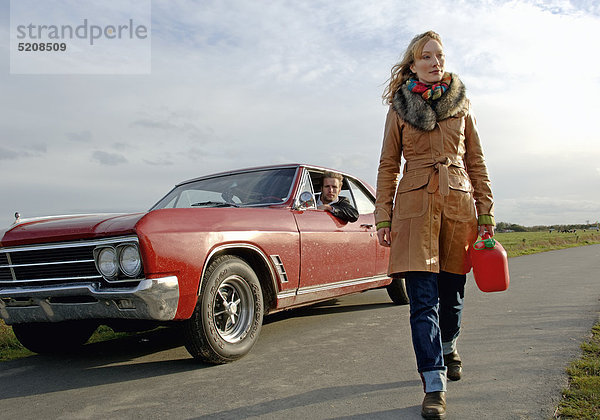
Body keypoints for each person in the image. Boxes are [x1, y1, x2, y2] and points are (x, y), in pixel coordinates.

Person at [375, 31, 494, 419]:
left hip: (458, 205)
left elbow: (476, 162)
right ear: (412, 64)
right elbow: (389, 166)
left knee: (453, 293)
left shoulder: (462, 107)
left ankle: (448, 345)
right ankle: (433, 381)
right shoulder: (399, 110)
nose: (435, 61)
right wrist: (383, 215)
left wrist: (487, 213)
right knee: (422, 301)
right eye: (426, 56)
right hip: (413, 208)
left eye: (439, 55)